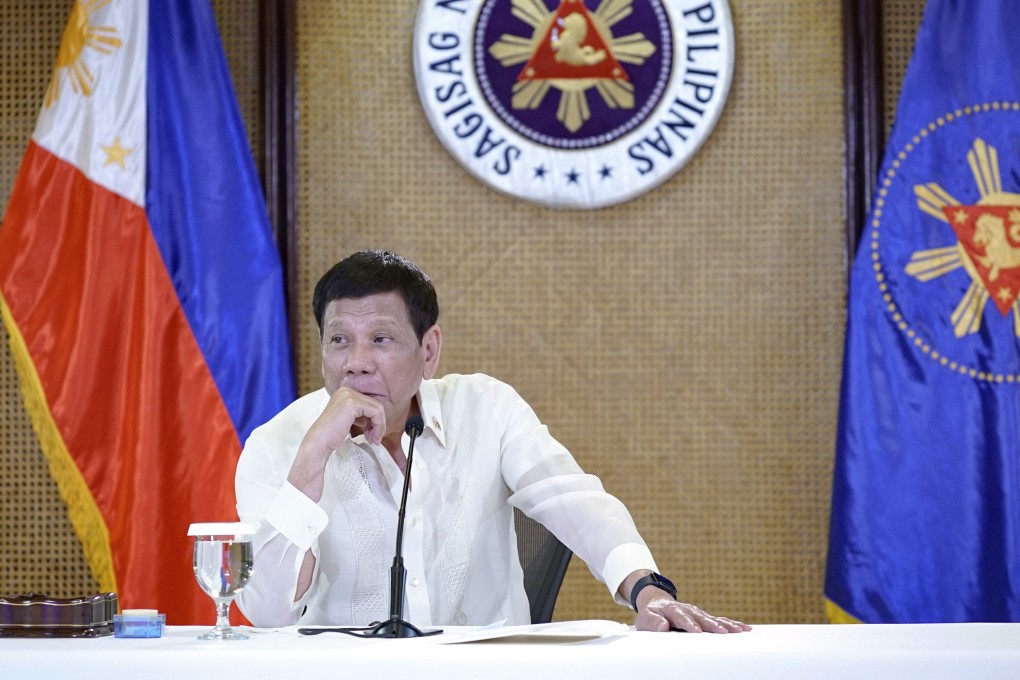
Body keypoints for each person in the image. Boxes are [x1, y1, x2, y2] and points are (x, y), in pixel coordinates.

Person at [235, 250, 749, 633]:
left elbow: (574, 500)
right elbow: (267, 612)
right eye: (339, 339)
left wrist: (645, 588)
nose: (357, 361)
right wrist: (312, 458)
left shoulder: (487, 409)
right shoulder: (277, 444)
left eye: (381, 339)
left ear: (429, 350)